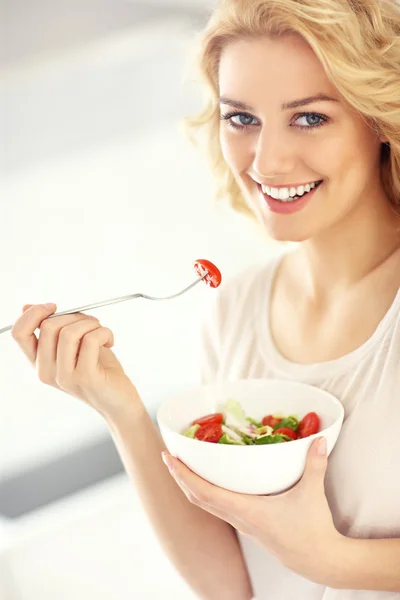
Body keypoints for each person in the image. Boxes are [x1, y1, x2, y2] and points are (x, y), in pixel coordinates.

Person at [10, 0, 400, 598]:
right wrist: (122, 411)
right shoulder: (235, 310)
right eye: (241, 119)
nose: (266, 162)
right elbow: (234, 585)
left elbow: (314, 564)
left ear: (379, 116)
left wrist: (333, 561)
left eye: (310, 118)